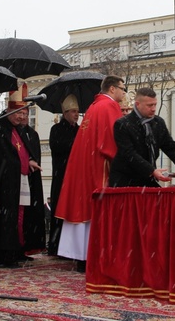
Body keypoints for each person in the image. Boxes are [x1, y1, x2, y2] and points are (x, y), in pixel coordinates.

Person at [55, 75, 126, 272]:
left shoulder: (94, 107)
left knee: (82, 208)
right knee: (94, 210)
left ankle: (81, 256)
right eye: (122, 88)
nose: (123, 92)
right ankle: (95, 255)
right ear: (112, 89)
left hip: (84, 165)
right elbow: (112, 141)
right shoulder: (109, 107)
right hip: (98, 166)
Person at [0, 83, 46, 267]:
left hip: (16, 181)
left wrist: (27, 162)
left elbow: (19, 152)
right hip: (1, 184)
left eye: (25, 113)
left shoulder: (15, 128)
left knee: (18, 218)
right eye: (19, 113)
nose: (22, 116)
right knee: (3, 219)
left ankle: (14, 251)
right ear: (9, 109)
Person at [109, 87, 175, 187]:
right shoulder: (122, 124)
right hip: (125, 180)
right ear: (137, 104)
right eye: (149, 105)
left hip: (147, 177)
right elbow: (128, 154)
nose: (153, 109)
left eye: (155, 104)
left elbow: (170, 146)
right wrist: (152, 170)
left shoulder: (158, 122)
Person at [48, 94, 79, 256]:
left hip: (76, 177)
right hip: (62, 175)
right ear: (65, 113)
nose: (76, 114)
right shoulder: (56, 129)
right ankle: (56, 245)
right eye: (73, 111)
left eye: (77, 112)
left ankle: (71, 247)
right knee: (60, 209)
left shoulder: (80, 129)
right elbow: (58, 146)